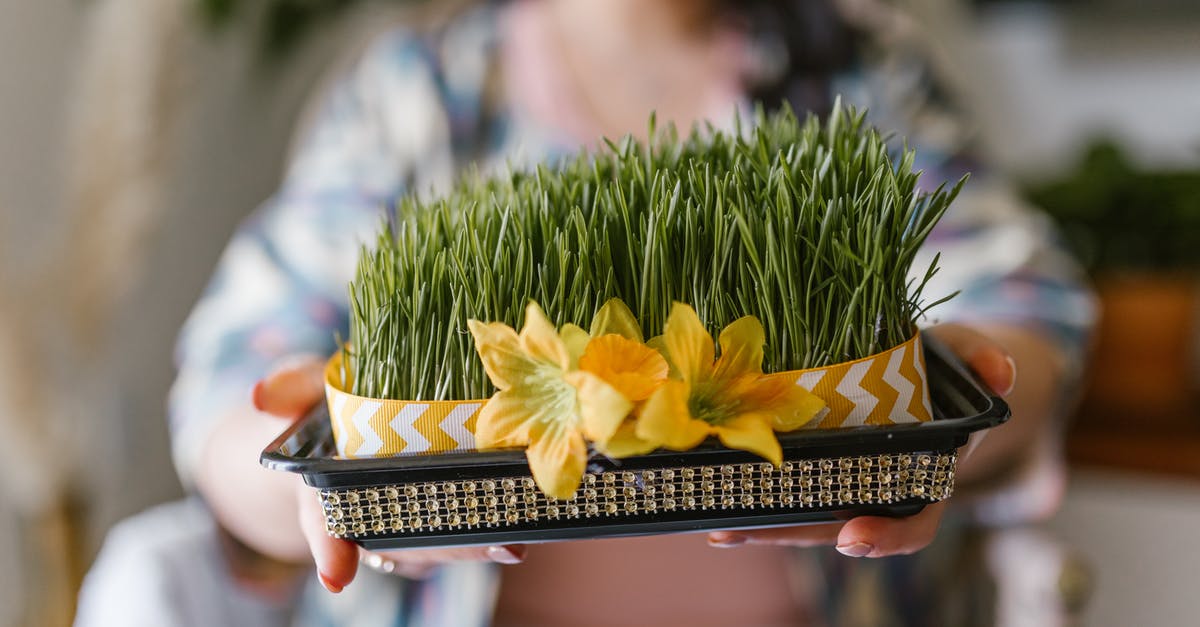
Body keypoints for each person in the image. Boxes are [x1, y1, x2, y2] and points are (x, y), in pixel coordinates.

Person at [77, 1, 1095, 625]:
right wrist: (309, 484)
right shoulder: (416, 90)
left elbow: (1024, 305)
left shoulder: (870, 71)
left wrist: (949, 413)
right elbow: (235, 367)